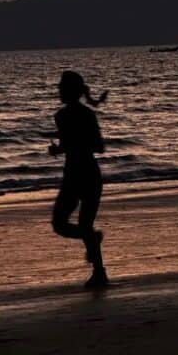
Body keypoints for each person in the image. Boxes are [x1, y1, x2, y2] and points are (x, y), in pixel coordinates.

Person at [49, 70, 109, 287]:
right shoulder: (77, 115)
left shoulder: (65, 116)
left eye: (61, 87)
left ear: (70, 91)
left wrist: (65, 147)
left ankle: (99, 271)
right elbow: (97, 146)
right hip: (87, 174)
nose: (58, 90)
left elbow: (97, 146)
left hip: (77, 175)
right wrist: (61, 149)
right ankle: (98, 267)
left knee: (64, 224)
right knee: (79, 225)